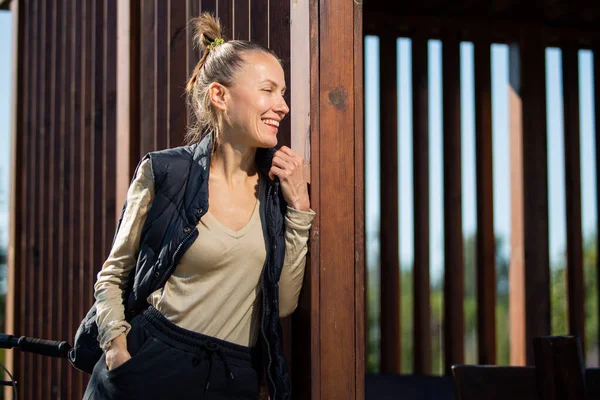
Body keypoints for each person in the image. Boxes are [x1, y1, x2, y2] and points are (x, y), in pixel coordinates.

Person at [82, 12, 314, 400]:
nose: (283, 106)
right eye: (268, 90)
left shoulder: (276, 192)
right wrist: (117, 350)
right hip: (148, 366)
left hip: (233, 377)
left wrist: (300, 209)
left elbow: (284, 303)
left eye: (283, 92)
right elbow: (113, 276)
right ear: (220, 96)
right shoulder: (164, 172)